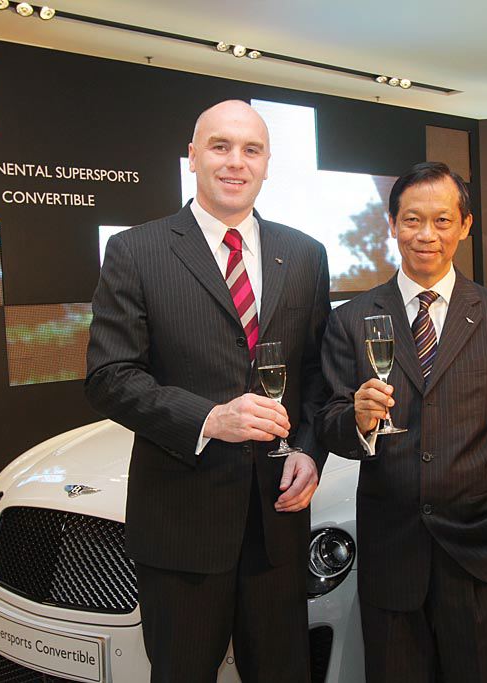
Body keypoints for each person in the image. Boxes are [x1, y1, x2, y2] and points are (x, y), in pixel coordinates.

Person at [85, 100, 330, 683]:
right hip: (182, 526)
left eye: (251, 150)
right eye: (220, 146)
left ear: (267, 164)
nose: (235, 162)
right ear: (192, 156)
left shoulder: (304, 254)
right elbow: (109, 376)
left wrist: (309, 450)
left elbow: (318, 374)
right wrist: (210, 419)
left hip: (277, 523)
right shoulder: (136, 251)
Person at [316, 162, 487, 683]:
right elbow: (329, 423)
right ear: (392, 224)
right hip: (392, 556)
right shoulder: (350, 319)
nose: (427, 234)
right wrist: (357, 419)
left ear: (465, 226)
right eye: (412, 220)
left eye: (442, 220)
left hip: (478, 553)